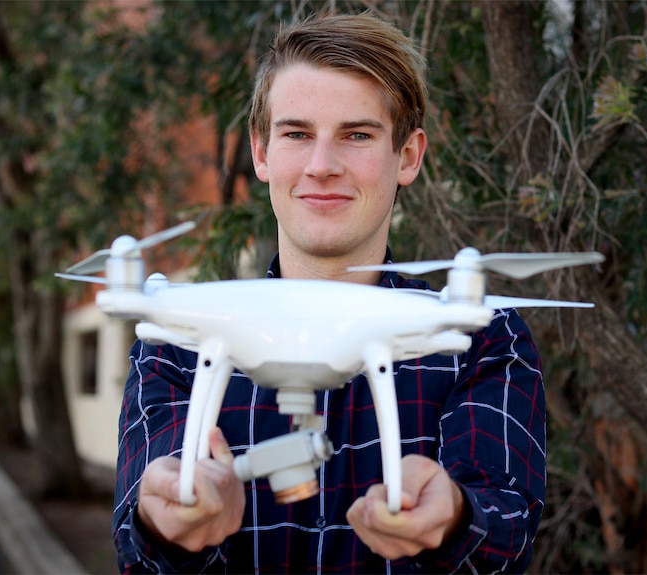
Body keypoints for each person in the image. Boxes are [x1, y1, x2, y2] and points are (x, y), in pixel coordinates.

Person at [113, 12, 545, 574]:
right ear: (261, 153)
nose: (322, 166)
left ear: (408, 156)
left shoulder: (478, 338)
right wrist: (168, 526)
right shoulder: (180, 338)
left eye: (357, 135)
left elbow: (504, 537)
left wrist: (455, 519)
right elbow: (137, 553)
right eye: (296, 134)